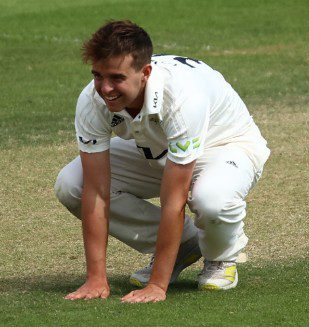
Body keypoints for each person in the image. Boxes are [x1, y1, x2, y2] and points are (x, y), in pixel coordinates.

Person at [55, 20, 270, 303]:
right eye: (98, 75)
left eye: (116, 78)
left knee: (211, 199)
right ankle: (184, 245)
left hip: (225, 146)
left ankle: (220, 257)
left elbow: (174, 199)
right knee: (73, 185)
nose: (105, 88)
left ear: (145, 73)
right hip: (156, 146)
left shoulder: (181, 98)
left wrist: (157, 285)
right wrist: (96, 279)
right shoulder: (91, 99)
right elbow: (96, 190)